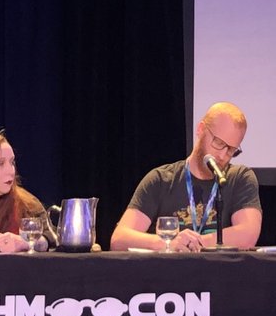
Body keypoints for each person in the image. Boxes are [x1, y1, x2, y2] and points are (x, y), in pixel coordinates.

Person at [110, 102, 262, 252]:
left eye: (231, 150)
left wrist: (195, 243)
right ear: (201, 129)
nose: (222, 156)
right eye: (218, 143)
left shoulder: (240, 178)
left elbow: (247, 235)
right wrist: (168, 243)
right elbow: (119, 240)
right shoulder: (161, 180)